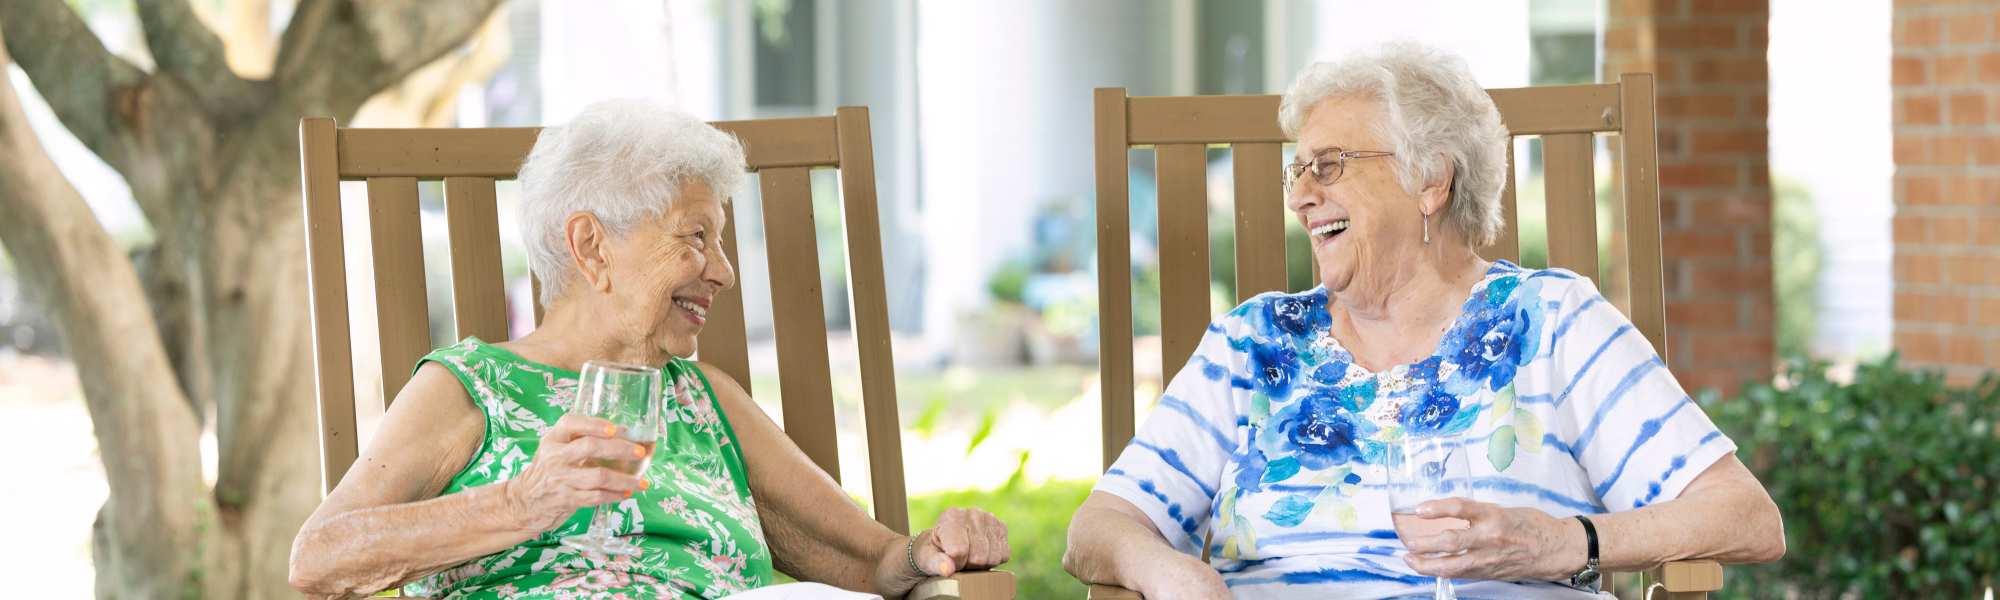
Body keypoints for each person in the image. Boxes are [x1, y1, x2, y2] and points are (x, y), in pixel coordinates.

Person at [1062, 41, 1784, 599]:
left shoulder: (1555, 323)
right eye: (1297, 171)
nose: (1301, 197)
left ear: (1431, 179)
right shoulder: (1252, 343)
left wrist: (1565, 543)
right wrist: (1162, 570)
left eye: (1330, 164)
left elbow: (1745, 517)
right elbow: (1100, 527)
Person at [289, 99, 1010, 599]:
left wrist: (927, 551)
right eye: (696, 237)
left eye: (720, 242)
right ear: (591, 246)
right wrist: (520, 502)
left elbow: (870, 559)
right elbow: (318, 560)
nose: (723, 272)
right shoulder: (471, 387)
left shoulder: (705, 399)